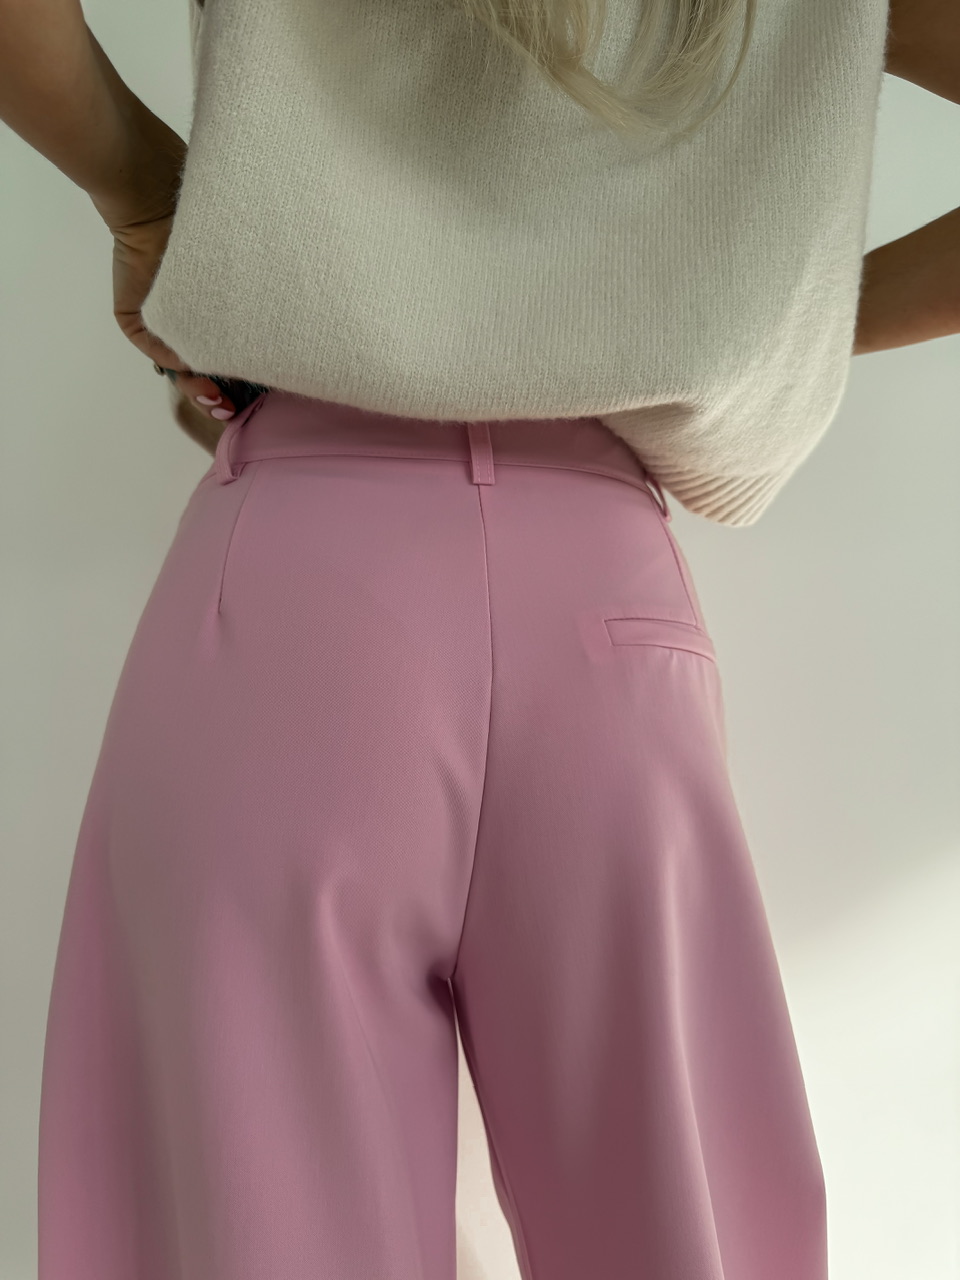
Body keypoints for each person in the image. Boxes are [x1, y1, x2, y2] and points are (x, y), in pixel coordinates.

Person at [3, 0, 957, 1277]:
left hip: (294, 587)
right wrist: (755, 312)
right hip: (603, 608)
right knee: (676, 1233)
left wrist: (142, 195)